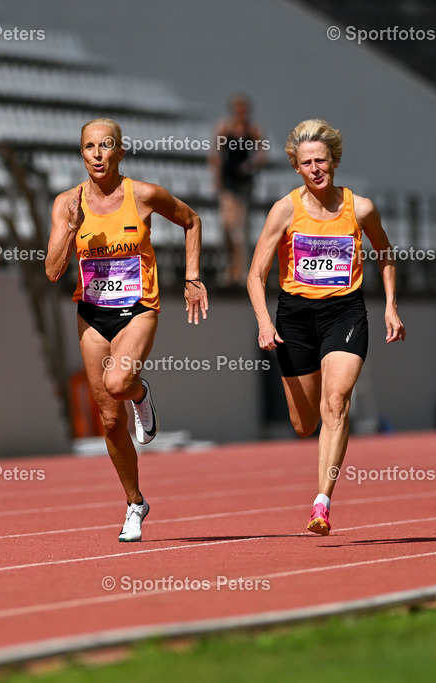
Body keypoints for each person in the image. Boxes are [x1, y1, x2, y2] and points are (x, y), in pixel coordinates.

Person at [45, 118, 208, 542]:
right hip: (92, 313)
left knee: (117, 383)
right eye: (90, 147)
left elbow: (192, 220)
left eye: (106, 146)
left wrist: (192, 277)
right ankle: (135, 503)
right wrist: (71, 227)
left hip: (138, 308)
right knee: (109, 419)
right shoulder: (66, 203)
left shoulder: (145, 195)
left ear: (120, 152)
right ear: (81, 153)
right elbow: (52, 271)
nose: (97, 154)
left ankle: (139, 392)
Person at [247, 119, 405, 536]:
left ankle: (322, 503)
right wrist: (264, 321)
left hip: (344, 313)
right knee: (304, 424)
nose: (315, 169)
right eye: (307, 163)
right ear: (296, 167)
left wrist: (390, 306)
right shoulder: (284, 210)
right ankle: (316, 418)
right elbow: (255, 274)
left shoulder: (361, 208)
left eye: (321, 160)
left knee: (335, 403)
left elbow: (386, 254)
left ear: (334, 161)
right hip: (294, 318)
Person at [211, 95, 266, 287]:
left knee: (240, 230)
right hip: (228, 183)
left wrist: (252, 165)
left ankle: (239, 272)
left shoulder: (253, 130)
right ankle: (230, 266)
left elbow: (262, 154)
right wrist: (217, 178)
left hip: (244, 184)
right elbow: (216, 154)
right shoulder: (225, 128)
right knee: (227, 226)